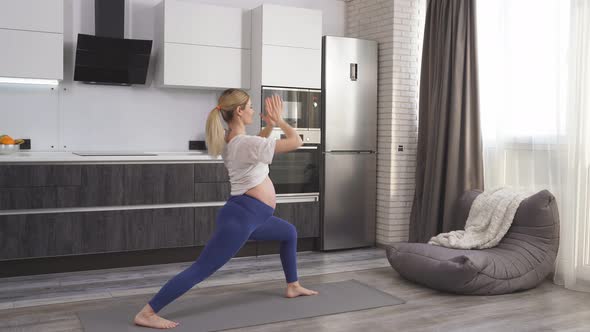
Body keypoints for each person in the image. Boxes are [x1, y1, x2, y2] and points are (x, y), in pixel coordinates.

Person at [134, 88, 319, 329]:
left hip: (253, 215)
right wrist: (280, 121)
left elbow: (258, 146)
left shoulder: (234, 140)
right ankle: (147, 312)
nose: (254, 110)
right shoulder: (244, 143)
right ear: (240, 111)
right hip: (243, 218)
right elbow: (296, 141)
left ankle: (292, 285)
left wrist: (270, 126)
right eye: (251, 106)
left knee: (288, 233)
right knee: (202, 268)